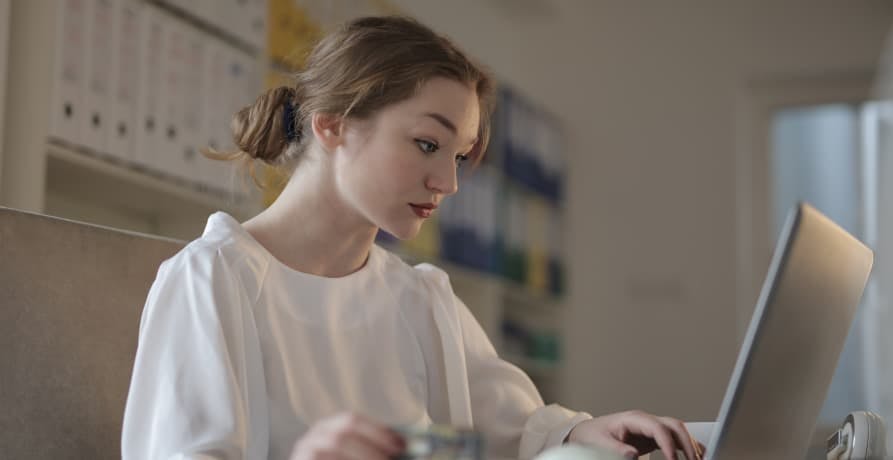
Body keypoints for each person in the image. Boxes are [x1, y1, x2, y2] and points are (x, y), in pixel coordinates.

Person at [121, 15, 704, 460]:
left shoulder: (421, 298)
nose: (448, 183)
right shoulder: (213, 279)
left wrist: (582, 430)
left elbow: (518, 422)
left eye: (458, 156)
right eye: (428, 144)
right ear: (333, 125)